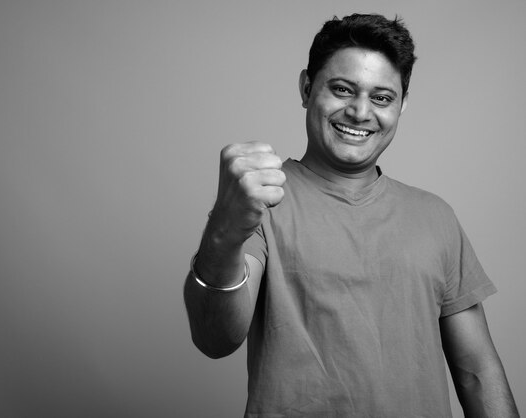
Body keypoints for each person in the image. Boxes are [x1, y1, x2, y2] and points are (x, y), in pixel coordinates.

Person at [183, 13, 518, 417]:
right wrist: (224, 230)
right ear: (307, 88)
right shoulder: (260, 204)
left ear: (402, 105)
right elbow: (215, 338)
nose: (360, 112)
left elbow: (477, 373)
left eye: (381, 97)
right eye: (342, 89)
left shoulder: (436, 216)